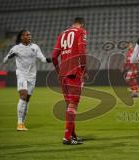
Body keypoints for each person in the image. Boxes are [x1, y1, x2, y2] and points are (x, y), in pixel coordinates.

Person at [3, 30, 52, 131]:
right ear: (21, 37)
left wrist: (48, 60)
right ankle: (19, 123)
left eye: (30, 34)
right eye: (27, 35)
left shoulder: (35, 47)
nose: (29, 36)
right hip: (21, 75)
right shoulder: (16, 48)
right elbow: (4, 60)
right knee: (23, 96)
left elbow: (42, 58)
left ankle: (23, 123)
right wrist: (9, 57)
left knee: (27, 99)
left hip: (32, 76)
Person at [52, 17, 87, 145]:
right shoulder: (81, 32)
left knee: (69, 105)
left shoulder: (62, 34)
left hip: (63, 73)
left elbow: (54, 56)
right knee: (73, 104)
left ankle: (72, 135)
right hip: (74, 72)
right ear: (82, 25)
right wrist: (83, 69)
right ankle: (67, 137)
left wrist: (58, 71)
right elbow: (82, 51)